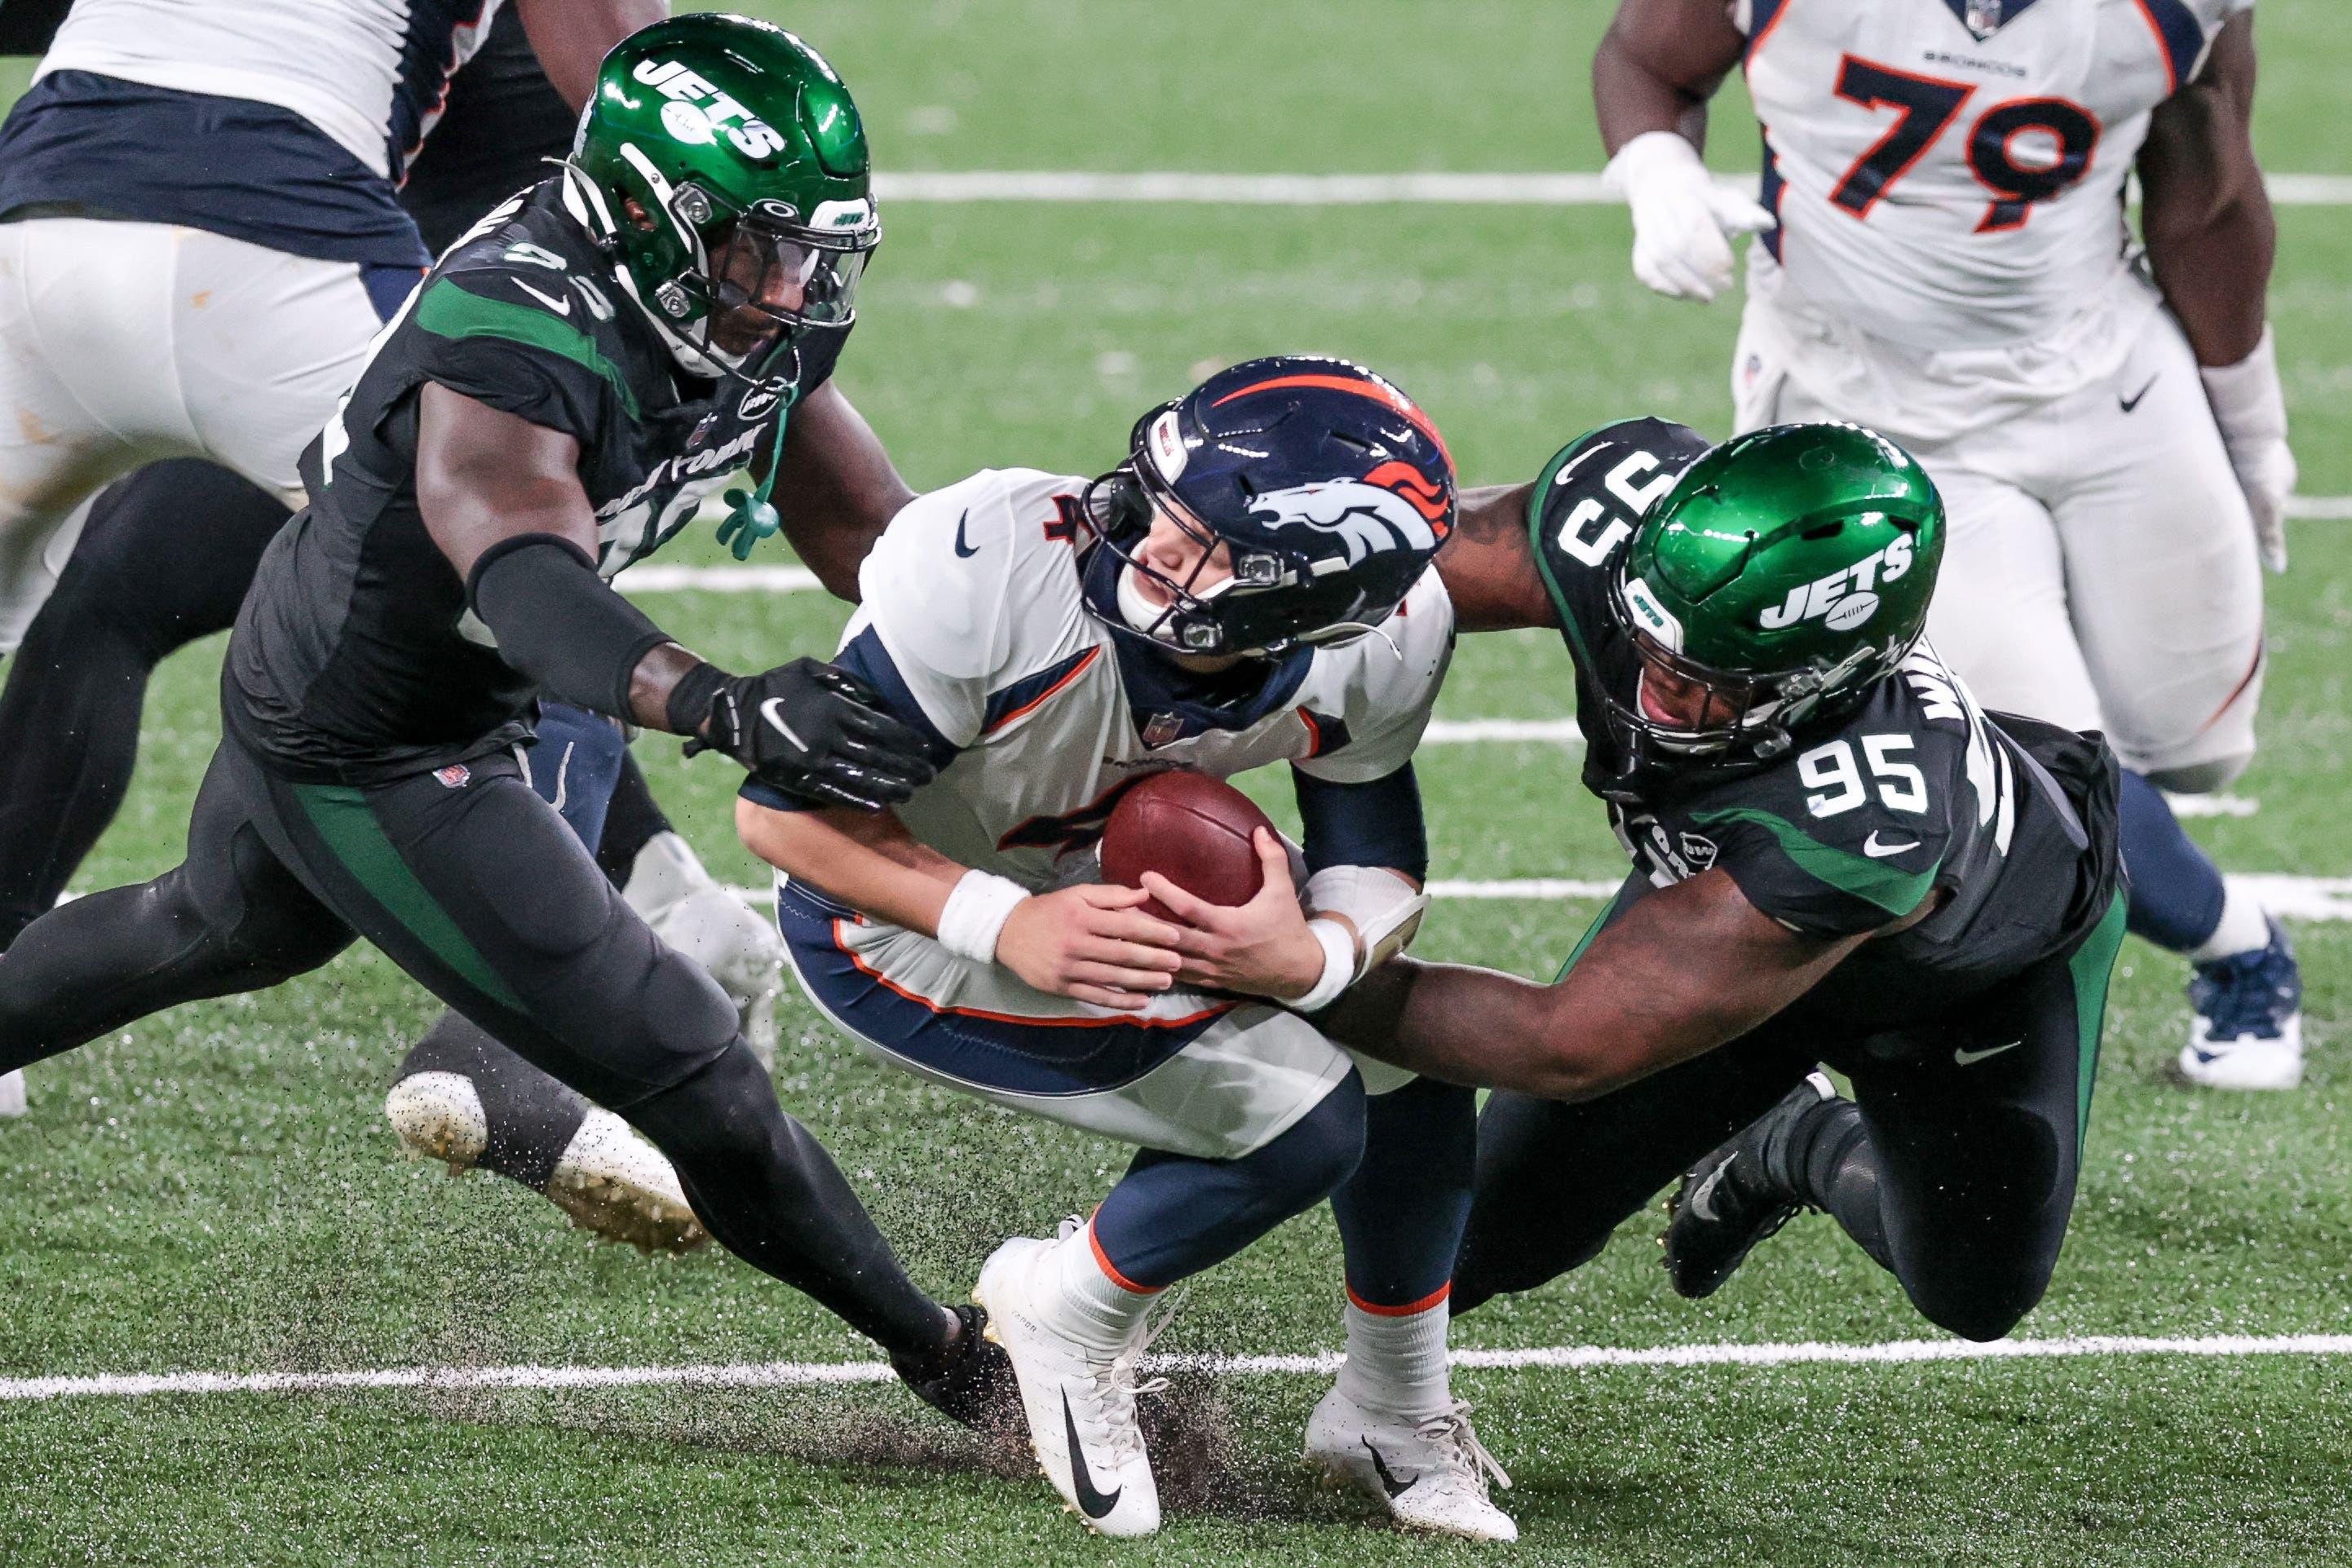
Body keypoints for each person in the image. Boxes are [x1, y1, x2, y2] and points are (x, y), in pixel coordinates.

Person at [0, 12, 1010, 1427]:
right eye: (755, 251)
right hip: (376, 731)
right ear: (649, 217)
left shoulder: (748, 302)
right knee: (695, 1071)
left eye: (811, 253)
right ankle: (961, 1366)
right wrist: (710, 699)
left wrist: (1010, 646)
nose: (785, 290)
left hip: (384, 659)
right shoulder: (513, 319)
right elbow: (526, 571)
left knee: (208, 925)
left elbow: (857, 518)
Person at [739, 358, 1514, 1541]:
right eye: (1169, 506)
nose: (1156, 544)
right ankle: (1070, 1309)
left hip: (1094, 881)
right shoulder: (994, 565)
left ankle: (1393, 1404)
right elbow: (783, 815)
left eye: (1213, 547)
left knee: (1404, 1046)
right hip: (894, 912)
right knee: (1303, 1116)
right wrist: (1004, 921)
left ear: (1319, 598)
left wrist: (1304, 959)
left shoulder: (1385, 637)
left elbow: (1377, 857)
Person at [1589, 0, 2301, 1088]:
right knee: (2053, 767)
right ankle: (2239, 943)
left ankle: (2134, 897)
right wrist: (1652, 168)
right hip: (1881, 425)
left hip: (2108, 373)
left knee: (2194, 741)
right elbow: (1648, 57)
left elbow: (2204, 196)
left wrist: (2248, 422)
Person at [0, 0, 667, 1129]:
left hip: (36, 223)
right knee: (525, 585)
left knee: (104, 598)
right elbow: (637, 90)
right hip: (281, 246)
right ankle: (507, 1045)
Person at [1325, 417, 2125, 1349]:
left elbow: (1562, 1042)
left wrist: (1292, 968)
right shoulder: (1628, 534)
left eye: (1709, 677)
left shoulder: (1870, 813)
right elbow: (1389, 580)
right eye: (1648, 640)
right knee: (1461, 1246)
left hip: (1973, 980)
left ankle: (1798, 1142)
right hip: (1727, 898)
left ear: (1834, 675)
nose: (1656, 688)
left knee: (1974, 1296)